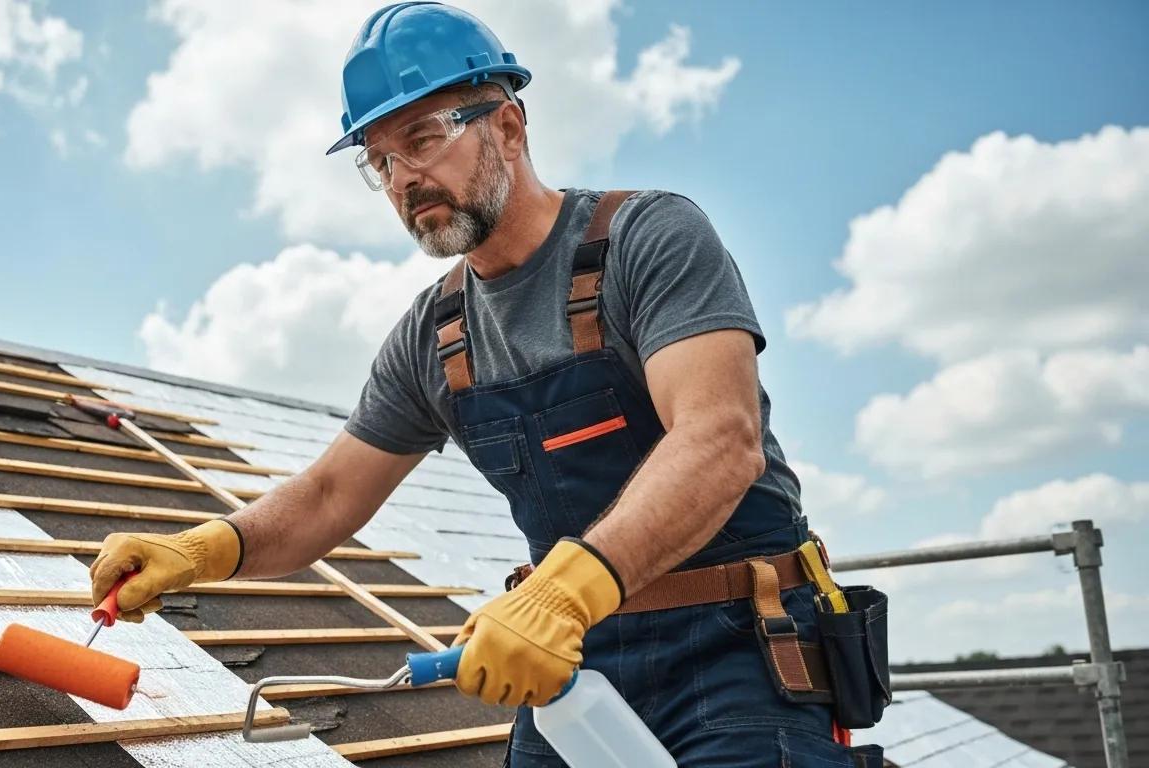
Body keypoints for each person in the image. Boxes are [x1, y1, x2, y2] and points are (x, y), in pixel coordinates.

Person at [90, 3, 883, 766]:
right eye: (380, 161)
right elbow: (332, 494)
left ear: (508, 125)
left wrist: (561, 593)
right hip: (573, 664)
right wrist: (198, 551)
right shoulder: (434, 335)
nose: (404, 178)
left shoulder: (648, 239)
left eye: (424, 137)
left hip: (739, 647)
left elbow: (719, 439)